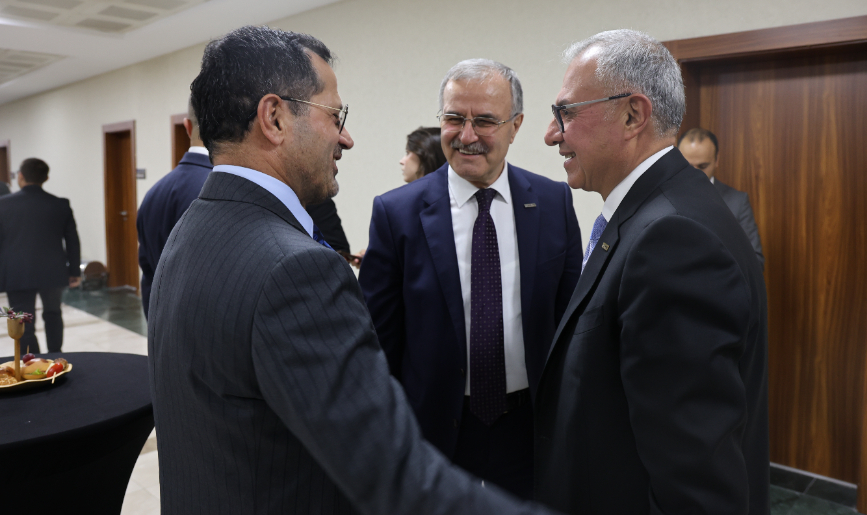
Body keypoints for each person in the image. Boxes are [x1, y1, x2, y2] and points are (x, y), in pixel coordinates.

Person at [148, 26, 555, 515]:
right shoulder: (296, 270)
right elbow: (392, 475)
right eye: (334, 116)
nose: (346, 138)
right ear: (274, 118)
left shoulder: (193, 228)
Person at [536, 30, 770, 514]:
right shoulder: (657, 212)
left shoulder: (674, 238)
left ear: (632, 115)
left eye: (566, 112)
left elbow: (695, 483)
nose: (552, 134)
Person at [359, 59, 582, 500]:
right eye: (453, 118)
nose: (466, 135)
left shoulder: (553, 202)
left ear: (515, 126)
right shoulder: (396, 213)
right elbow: (378, 343)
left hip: (530, 428)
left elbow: (571, 322)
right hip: (432, 432)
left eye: (484, 121)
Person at [136, 100, 213, 318]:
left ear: (187, 126)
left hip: (162, 322)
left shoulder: (154, 193)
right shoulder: (219, 191)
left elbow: (148, 273)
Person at [0, 158, 81, 354]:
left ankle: (33, 359)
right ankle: (55, 355)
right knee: (53, 314)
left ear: (20, 176)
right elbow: (72, 240)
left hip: (16, 272)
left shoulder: (3, 205)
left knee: (21, 319)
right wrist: (74, 271)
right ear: (46, 178)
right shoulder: (60, 204)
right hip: (53, 271)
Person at [678, 128, 765, 267]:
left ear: (716, 160)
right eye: (687, 166)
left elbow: (755, 262)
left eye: (703, 166)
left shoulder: (737, 202)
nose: (694, 173)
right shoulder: (662, 199)